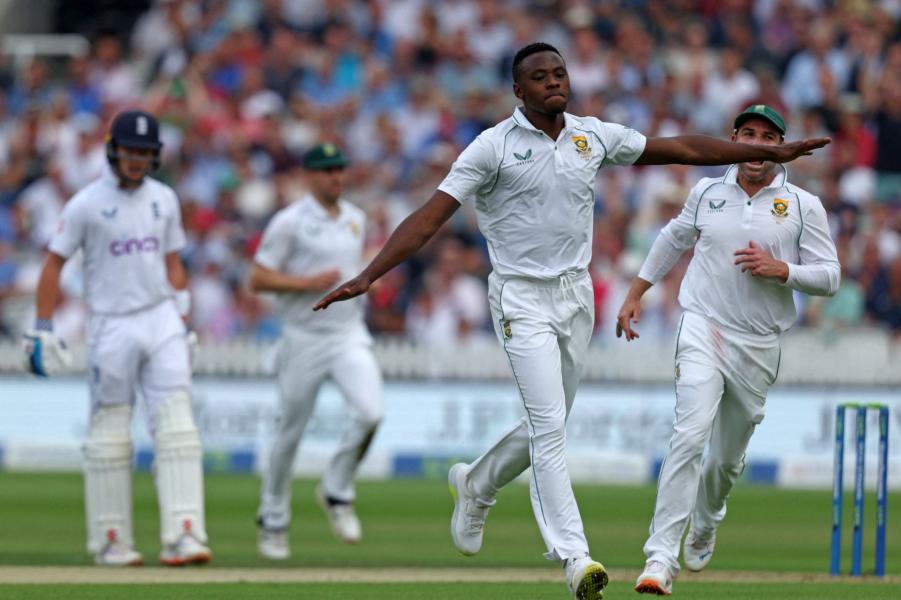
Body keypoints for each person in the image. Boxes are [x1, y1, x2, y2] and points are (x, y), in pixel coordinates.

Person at [315, 44, 829, 600]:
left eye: (559, 73)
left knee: (550, 419)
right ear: (519, 91)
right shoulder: (492, 148)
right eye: (540, 77)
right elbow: (429, 218)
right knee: (550, 427)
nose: (554, 82)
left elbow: (678, 147)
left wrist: (767, 153)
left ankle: (476, 485)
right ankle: (574, 558)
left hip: (575, 295)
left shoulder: (592, 135)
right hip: (520, 298)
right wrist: (371, 274)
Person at [615, 105, 840, 595]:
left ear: (781, 146)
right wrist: (636, 292)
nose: (757, 145)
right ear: (734, 138)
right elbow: (674, 238)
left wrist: (785, 271)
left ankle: (708, 517)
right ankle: (658, 559)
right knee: (688, 435)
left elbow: (831, 276)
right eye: (749, 134)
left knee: (724, 462)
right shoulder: (707, 191)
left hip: (758, 343)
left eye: (768, 137)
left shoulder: (803, 205)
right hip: (703, 326)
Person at [22, 110, 211, 566]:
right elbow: (53, 264)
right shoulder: (86, 203)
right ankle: (110, 540)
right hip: (110, 324)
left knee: (178, 428)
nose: (136, 159)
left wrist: (183, 316)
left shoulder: (164, 199)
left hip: (160, 317)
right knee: (109, 434)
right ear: (113, 149)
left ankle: (184, 534)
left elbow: (173, 262)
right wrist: (42, 327)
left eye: (145, 153)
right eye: (129, 150)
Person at [253, 143, 384, 560]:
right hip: (303, 337)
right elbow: (257, 279)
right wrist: (306, 283)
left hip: (347, 334)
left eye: (340, 170)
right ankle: (272, 519)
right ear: (309, 176)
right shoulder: (289, 222)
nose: (335, 178)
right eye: (327, 171)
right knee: (290, 432)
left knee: (371, 412)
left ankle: (336, 490)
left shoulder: (355, 219)